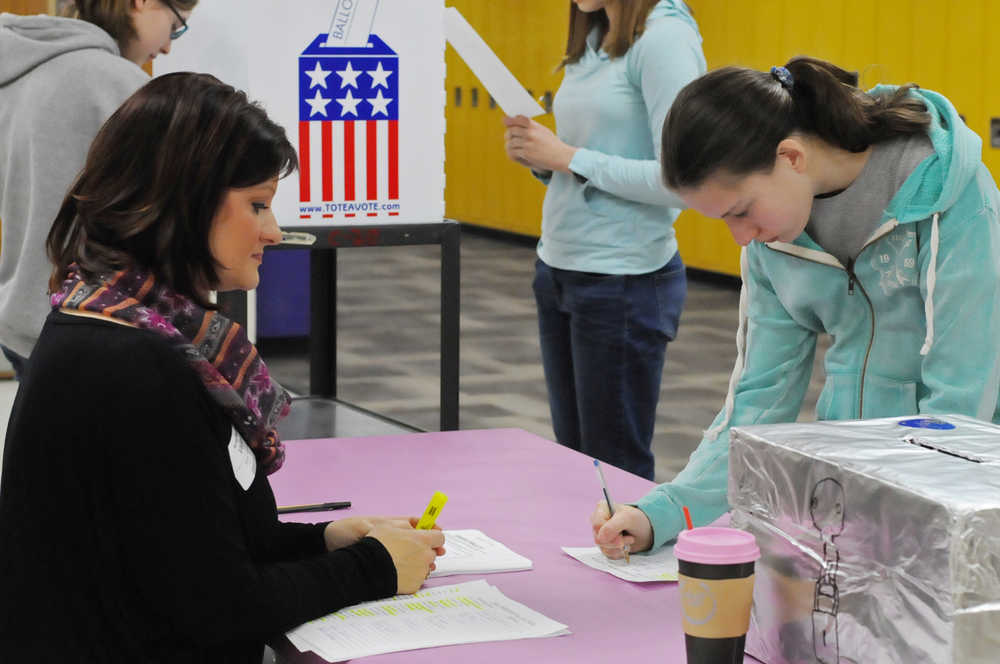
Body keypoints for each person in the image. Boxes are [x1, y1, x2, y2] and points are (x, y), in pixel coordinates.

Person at [0, 72, 445, 662]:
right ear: (184, 202)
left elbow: (196, 540)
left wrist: (328, 540)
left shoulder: (132, 325)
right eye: (257, 205)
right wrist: (375, 568)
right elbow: (219, 606)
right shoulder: (135, 364)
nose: (272, 231)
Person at [592, 56, 1000, 558]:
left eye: (741, 211)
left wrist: (910, 530)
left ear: (791, 157)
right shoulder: (772, 242)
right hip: (856, 485)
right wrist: (664, 511)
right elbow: (757, 400)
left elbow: (963, 396)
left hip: (966, 494)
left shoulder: (949, 196)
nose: (741, 236)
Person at [501, 0, 705, 480]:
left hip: (623, 280)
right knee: (573, 460)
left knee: (614, 468)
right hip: (559, 266)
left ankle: (629, 555)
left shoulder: (664, 38)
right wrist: (542, 159)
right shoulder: (594, 37)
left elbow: (683, 177)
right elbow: (588, 160)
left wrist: (569, 156)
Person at [0, 0, 196, 379]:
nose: (170, 46)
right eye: (175, 26)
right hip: (99, 326)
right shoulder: (123, 87)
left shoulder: (14, 70)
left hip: (19, 317)